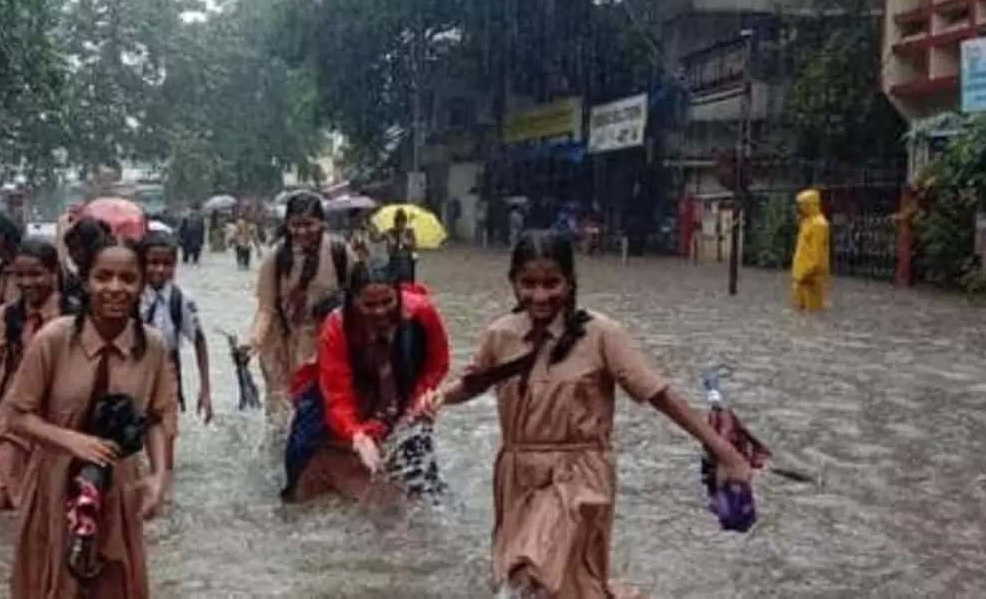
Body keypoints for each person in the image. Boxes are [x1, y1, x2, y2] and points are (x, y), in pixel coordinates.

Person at [423, 230, 756, 598]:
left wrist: (722, 450)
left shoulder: (602, 335)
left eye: (552, 283)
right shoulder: (499, 335)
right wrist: (439, 399)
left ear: (570, 281)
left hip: (580, 473)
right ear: (513, 284)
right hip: (517, 474)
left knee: (532, 570)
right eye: (528, 284)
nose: (540, 295)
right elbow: (474, 382)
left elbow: (659, 394)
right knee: (547, 582)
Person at [4, 235, 174, 599]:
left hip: (119, 486)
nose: (115, 288)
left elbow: (158, 418)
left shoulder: (154, 347)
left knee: (114, 582)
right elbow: (17, 416)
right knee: (54, 583)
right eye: (103, 277)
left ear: (142, 283)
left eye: (128, 279)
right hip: (55, 484)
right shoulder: (53, 340)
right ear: (85, 281)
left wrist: (160, 477)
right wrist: (73, 441)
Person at [282, 262, 450, 504]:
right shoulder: (336, 326)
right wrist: (357, 435)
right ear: (352, 301)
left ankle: (430, 498)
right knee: (301, 445)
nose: (380, 312)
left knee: (418, 454)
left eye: (387, 302)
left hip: (400, 369)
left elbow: (437, 362)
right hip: (337, 376)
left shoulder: (422, 312)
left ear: (399, 295)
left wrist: (421, 397)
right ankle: (293, 498)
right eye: (369, 305)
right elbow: (336, 395)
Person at [0, 238, 71, 510]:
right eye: (21, 275)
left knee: (52, 500)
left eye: (36, 274)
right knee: (1, 497)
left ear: (53, 273)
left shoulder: (74, 315)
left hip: (59, 415)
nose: (27, 283)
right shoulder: (8, 316)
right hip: (15, 413)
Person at [241, 192, 352, 420]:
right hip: (283, 343)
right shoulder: (276, 257)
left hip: (327, 342)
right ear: (287, 225)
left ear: (322, 223)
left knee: (327, 407)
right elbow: (266, 309)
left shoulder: (340, 253)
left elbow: (359, 298)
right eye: (295, 225)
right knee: (281, 411)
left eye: (308, 224)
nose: (302, 232)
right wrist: (252, 341)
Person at [139, 232, 212, 467]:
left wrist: (206, 389)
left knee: (166, 439)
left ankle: (165, 492)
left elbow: (199, 341)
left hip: (167, 374)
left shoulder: (181, 300)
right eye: (153, 263)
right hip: (133, 372)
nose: (159, 270)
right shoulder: (132, 297)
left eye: (167, 264)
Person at [791, 188, 830, 312]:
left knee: (811, 310)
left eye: (801, 205)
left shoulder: (819, 224)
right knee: (799, 310)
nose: (799, 209)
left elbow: (818, 254)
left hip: (810, 277)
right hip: (801, 275)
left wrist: (809, 272)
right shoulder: (806, 222)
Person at [381, 209, 418, 284]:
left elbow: (414, 248)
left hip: (406, 264)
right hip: (394, 263)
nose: (401, 224)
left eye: (403, 222)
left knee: (406, 287)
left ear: (405, 222)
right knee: (392, 285)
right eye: (398, 222)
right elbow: (376, 239)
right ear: (395, 223)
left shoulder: (410, 232)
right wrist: (389, 239)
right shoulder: (391, 232)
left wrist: (407, 242)